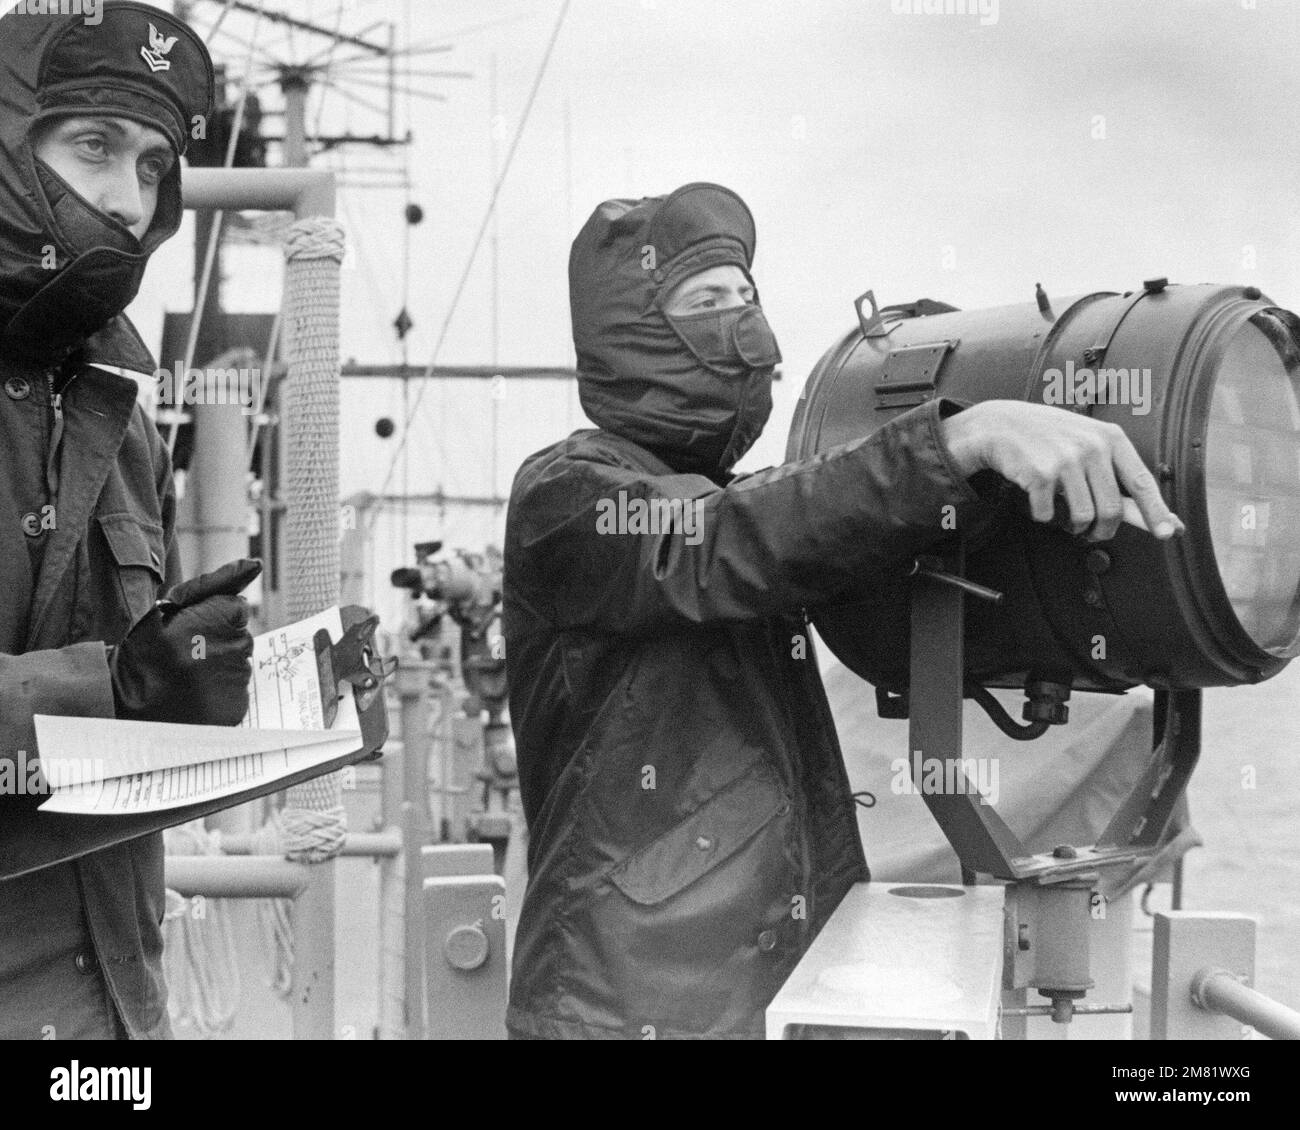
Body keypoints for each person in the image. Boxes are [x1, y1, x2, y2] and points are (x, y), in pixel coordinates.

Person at [502, 181, 1184, 1040]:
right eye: (707, 301)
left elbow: (808, 521)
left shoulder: (748, 506)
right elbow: (721, 543)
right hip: (624, 1006)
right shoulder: (567, 497)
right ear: (631, 331)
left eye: (747, 296)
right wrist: (958, 440)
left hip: (777, 986)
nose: (743, 322)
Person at [0, 1, 258, 1040]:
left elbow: (131, 711)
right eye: (94, 145)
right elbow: (111, 692)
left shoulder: (121, 409)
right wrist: (114, 690)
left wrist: (232, 699)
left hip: (112, 1010)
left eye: (153, 166)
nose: (123, 199)